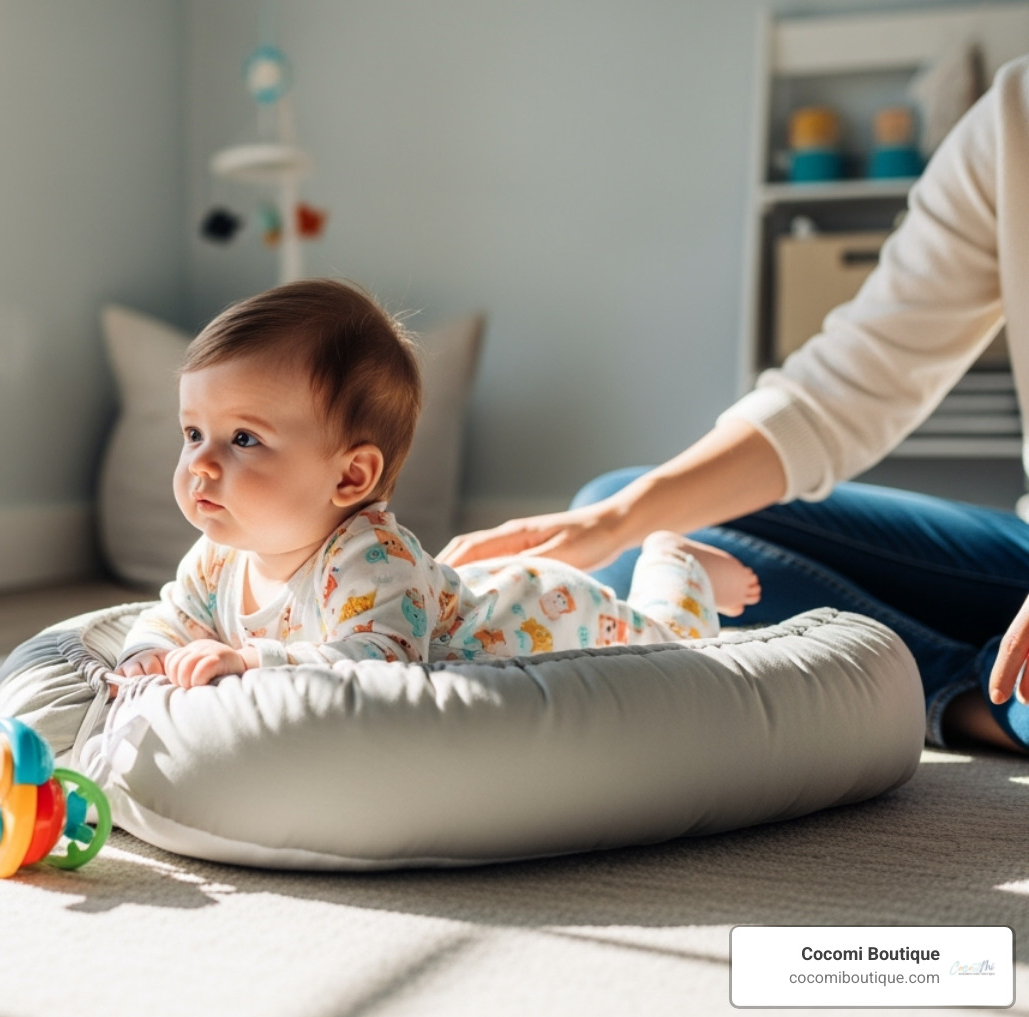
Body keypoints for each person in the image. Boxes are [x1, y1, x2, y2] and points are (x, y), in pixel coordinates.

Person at [440, 57, 1029, 754]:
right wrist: (608, 522)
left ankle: (975, 699)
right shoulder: (1013, 118)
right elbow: (843, 387)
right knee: (632, 531)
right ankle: (967, 690)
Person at [114, 279, 761, 690]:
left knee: (672, 651)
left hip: (545, 616)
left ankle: (676, 565)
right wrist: (147, 653)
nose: (200, 463)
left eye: (243, 440)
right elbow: (172, 618)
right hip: (476, 588)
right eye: (192, 433)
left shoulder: (371, 560)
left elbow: (381, 666)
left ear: (351, 476)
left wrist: (254, 663)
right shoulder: (218, 555)